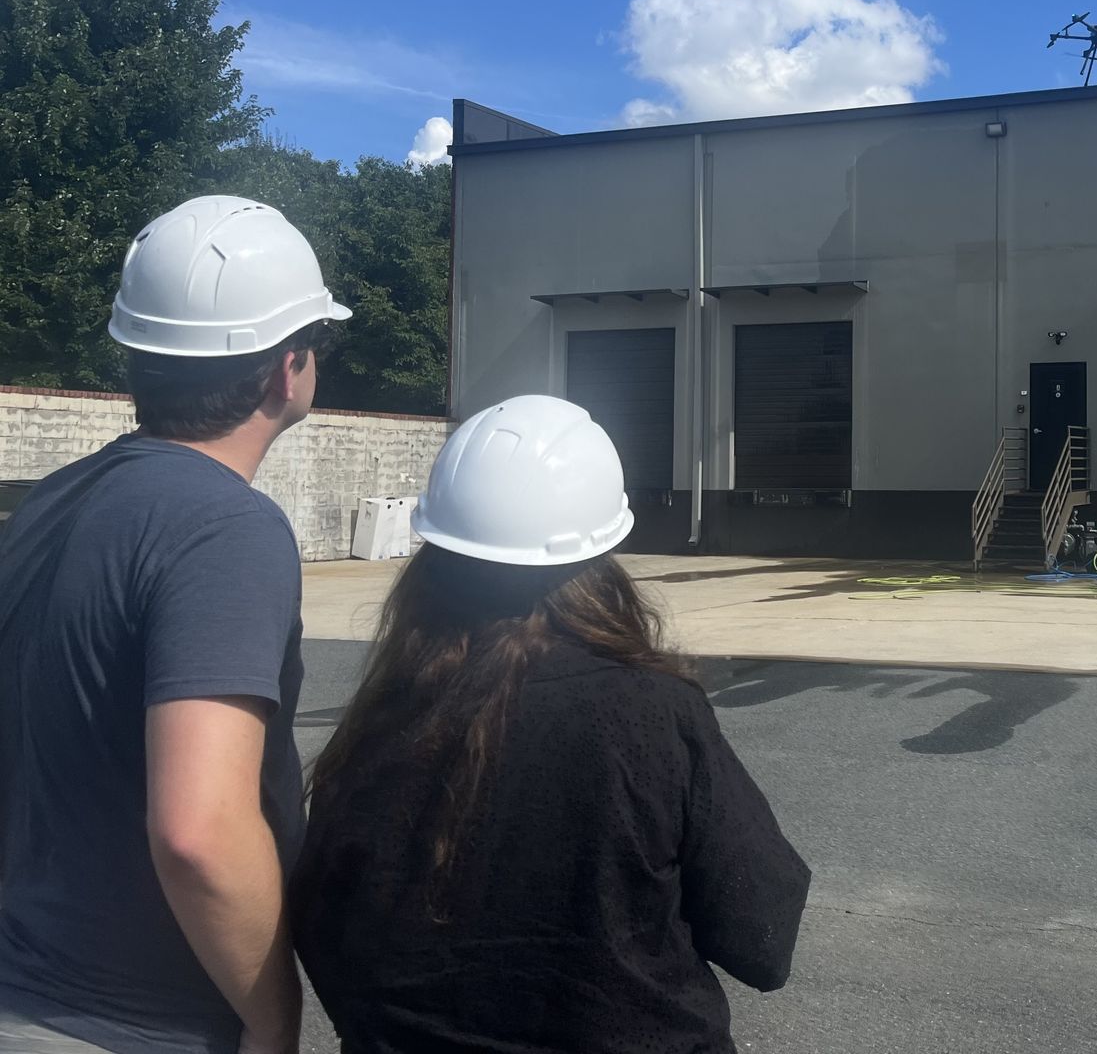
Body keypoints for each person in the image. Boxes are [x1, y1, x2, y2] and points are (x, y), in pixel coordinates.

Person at [292, 395, 810, 1054]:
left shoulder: (383, 719)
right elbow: (761, 938)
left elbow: (325, 928)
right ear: (602, 552)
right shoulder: (654, 713)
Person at [0, 196, 351, 1053]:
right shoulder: (225, 528)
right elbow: (200, 833)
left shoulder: (50, 504)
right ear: (288, 369)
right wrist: (273, 1022)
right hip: (128, 1023)